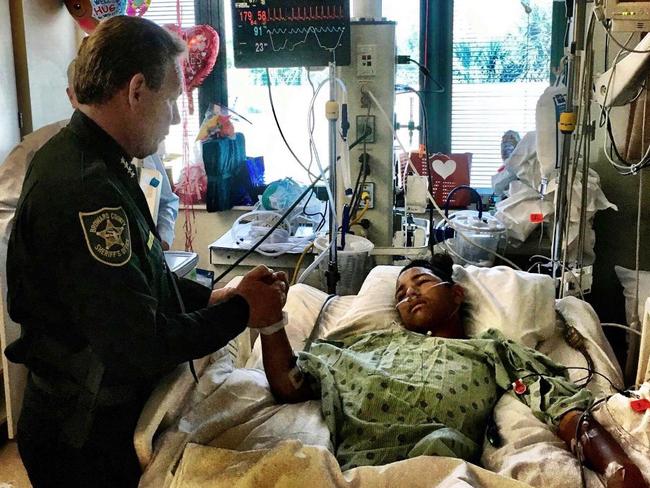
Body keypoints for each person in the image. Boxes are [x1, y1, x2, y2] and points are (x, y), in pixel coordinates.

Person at [5, 16, 288, 488]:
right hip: (82, 440)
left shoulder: (90, 158)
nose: (177, 118)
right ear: (137, 91)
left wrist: (213, 297)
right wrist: (242, 310)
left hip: (90, 416)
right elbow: (139, 346)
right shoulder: (86, 189)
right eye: (173, 100)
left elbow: (142, 275)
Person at [260, 254, 647, 487]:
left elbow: (561, 406)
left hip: (439, 472)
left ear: (456, 292)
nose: (408, 292)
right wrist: (271, 323)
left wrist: (618, 468)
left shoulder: (492, 352)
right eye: (399, 293)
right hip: (354, 474)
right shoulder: (366, 345)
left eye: (422, 281)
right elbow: (290, 385)